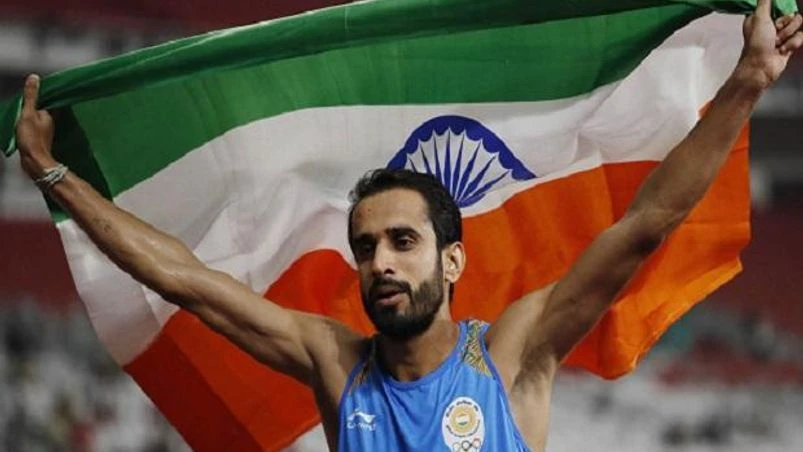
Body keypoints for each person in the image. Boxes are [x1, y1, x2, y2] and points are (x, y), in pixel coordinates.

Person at [13, 1, 802, 450]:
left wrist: (744, 83)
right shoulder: (333, 361)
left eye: (402, 242)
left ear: (452, 262)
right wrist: (56, 177)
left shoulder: (515, 352)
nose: (380, 263)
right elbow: (182, 279)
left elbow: (646, 223)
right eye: (364, 247)